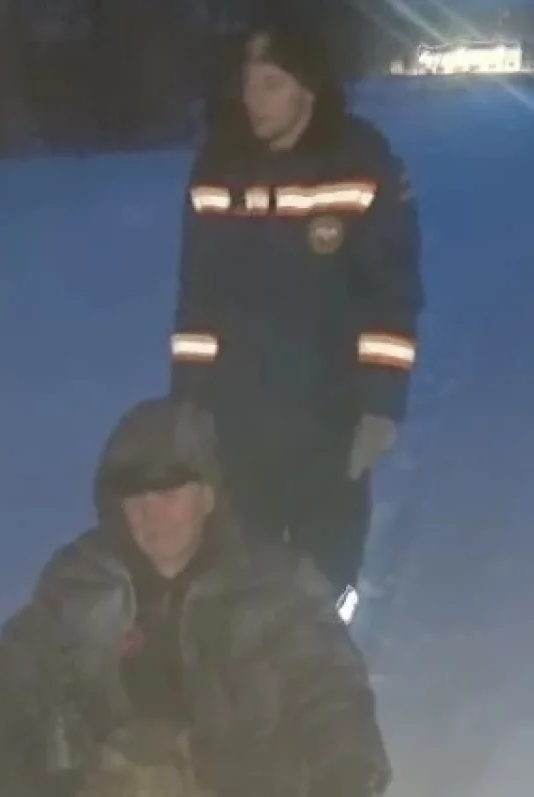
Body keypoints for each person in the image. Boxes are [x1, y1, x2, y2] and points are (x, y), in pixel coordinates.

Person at [0, 397, 390, 797]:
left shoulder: (274, 587)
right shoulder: (84, 583)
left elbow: (330, 695)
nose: (151, 514)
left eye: (169, 493)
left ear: (208, 496)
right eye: (135, 498)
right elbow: (8, 682)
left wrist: (347, 774)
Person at [167, 14, 424, 617]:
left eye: (271, 83)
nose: (252, 98)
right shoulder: (219, 165)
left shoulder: (362, 161)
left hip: (330, 420)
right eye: (248, 81)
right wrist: (188, 402)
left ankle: (328, 661)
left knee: (325, 583)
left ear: (308, 87)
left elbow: (392, 295)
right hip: (238, 422)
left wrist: (380, 407)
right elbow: (198, 299)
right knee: (241, 581)